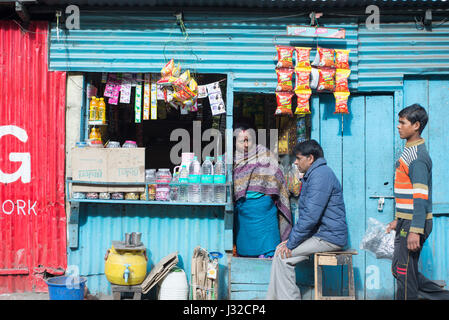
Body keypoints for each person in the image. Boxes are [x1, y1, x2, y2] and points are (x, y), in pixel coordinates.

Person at [266, 139, 348, 300]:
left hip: (329, 238)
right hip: (320, 235)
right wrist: (290, 241)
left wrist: (291, 243)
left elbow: (310, 217)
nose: (295, 162)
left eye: (298, 158)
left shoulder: (321, 176)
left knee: (283, 257)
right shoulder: (314, 175)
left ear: (310, 158)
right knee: (279, 252)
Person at [386, 104, 449, 300]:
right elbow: (406, 191)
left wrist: (415, 229)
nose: (398, 126)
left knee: (404, 273)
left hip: (414, 223)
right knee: (401, 270)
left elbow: (420, 196)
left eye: (402, 123)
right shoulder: (409, 151)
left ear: (416, 126)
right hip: (407, 220)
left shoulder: (418, 157)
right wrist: (398, 219)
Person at [233, 124, 292, 258]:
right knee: (245, 250)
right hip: (244, 208)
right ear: (235, 142)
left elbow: (278, 175)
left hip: (264, 208)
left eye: (249, 140)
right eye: (242, 141)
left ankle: (269, 255)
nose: (246, 144)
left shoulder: (264, 154)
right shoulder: (232, 159)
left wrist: (267, 196)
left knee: (270, 247)